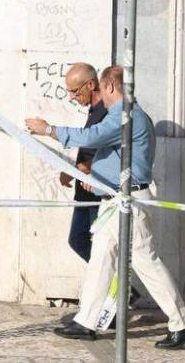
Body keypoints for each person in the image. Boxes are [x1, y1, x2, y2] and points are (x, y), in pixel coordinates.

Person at [25, 66, 185, 350]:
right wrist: (99, 179)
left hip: (129, 202)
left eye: (103, 92)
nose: (102, 99)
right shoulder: (127, 116)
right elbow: (114, 156)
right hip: (115, 200)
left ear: (108, 87)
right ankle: (86, 321)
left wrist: (50, 130)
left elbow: (92, 137)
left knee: (147, 263)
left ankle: (182, 323)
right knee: (101, 258)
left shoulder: (125, 116)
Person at [60, 63, 108, 263]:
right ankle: (122, 290)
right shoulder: (93, 111)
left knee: (97, 244)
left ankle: (124, 291)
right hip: (84, 190)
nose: (72, 97)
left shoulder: (106, 112)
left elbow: (102, 155)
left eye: (75, 91)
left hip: (96, 189)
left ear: (90, 85)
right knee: (79, 240)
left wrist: (75, 170)